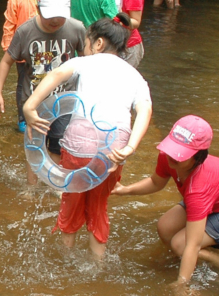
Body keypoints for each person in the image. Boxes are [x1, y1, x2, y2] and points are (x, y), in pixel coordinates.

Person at [23, 16, 152, 257]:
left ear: (99, 43)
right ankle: (98, 266)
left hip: (79, 144)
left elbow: (54, 75)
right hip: (114, 150)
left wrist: (30, 106)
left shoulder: (86, 62)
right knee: (99, 207)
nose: (86, 47)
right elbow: (145, 109)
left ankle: (66, 261)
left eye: (87, 42)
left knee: (72, 203)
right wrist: (131, 147)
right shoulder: (135, 75)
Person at [114, 116, 219, 286]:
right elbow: (156, 182)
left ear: (198, 156)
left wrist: (182, 283)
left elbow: (192, 244)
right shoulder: (167, 157)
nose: (174, 156)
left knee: (180, 244)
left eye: (181, 153)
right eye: (173, 148)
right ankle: (188, 257)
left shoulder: (198, 188)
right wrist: (124, 190)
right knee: (165, 227)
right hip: (215, 199)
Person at [0, 0, 87, 185]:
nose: (55, 22)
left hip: (63, 99)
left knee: (58, 143)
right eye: (50, 16)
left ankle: (52, 184)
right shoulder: (26, 31)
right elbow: (6, 62)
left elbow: (88, 61)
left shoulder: (76, 28)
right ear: (38, 7)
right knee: (35, 142)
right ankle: (31, 186)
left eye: (59, 17)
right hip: (33, 100)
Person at [1, 0, 51, 130]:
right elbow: (9, 25)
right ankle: (22, 117)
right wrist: (9, 48)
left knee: (45, 81)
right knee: (24, 84)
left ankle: (43, 113)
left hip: (45, 50)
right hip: (22, 52)